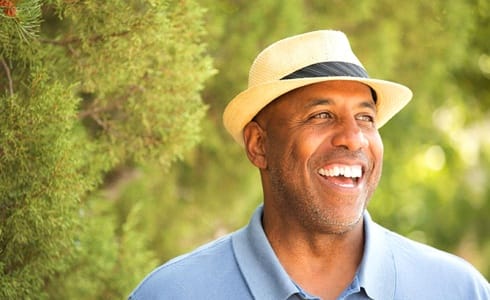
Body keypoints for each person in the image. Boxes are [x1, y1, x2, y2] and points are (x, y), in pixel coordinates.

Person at [129, 30, 490, 300]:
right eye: (321, 115)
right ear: (259, 145)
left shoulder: (457, 289)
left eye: (366, 118)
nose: (353, 138)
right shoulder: (172, 292)